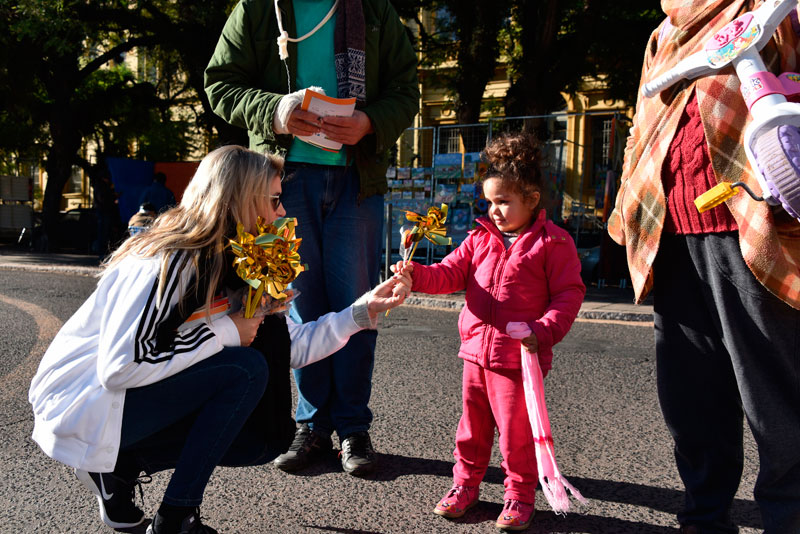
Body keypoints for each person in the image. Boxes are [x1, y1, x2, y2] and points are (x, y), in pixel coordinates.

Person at [28, 145, 412, 534]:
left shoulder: (247, 257)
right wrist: (226, 331)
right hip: (81, 401)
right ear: (241, 199)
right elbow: (120, 366)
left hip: (121, 400)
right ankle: (176, 520)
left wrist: (361, 313)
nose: (283, 212)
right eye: (276, 200)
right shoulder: (171, 258)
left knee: (265, 435)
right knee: (243, 372)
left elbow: (286, 349)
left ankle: (121, 468)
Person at [204, 0, 419, 477]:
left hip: (356, 182)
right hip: (279, 185)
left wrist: (370, 123)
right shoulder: (257, 8)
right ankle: (311, 426)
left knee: (360, 304)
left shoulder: (377, 10)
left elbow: (406, 91)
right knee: (292, 305)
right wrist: (275, 111)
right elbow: (218, 85)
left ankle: (352, 427)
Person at [608, 2, 800, 533]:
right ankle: (704, 518)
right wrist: (626, 198)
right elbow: (641, 125)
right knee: (692, 401)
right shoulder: (662, 34)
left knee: (775, 401)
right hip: (669, 231)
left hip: (752, 221)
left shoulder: (772, 7)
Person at [392, 133, 585, 531]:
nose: (494, 210)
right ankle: (465, 485)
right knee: (472, 430)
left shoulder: (553, 242)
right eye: (490, 202)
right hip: (475, 353)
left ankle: (519, 494)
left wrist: (542, 330)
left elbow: (568, 294)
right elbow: (449, 273)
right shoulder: (479, 238)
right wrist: (415, 274)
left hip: (518, 358)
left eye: (504, 202)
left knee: (516, 435)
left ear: (532, 199)